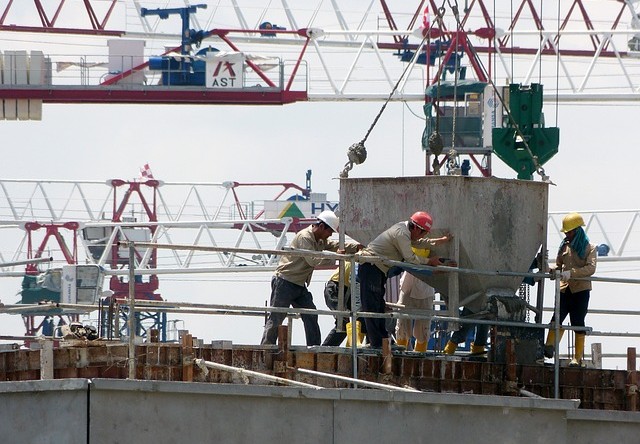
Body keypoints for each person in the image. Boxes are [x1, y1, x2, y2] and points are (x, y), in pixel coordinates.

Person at [260, 210, 361, 346]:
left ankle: (314, 348)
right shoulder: (305, 237)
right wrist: (335, 257)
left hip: (299, 284)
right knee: (277, 316)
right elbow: (313, 261)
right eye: (329, 231)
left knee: (311, 314)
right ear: (321, 227)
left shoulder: (319, 239)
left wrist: (357, 247)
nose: (330, 234)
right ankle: (266, 348)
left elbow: (335, 245)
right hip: (285, 282)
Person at [357, 211, 454, 349]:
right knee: (372, 306)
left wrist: (439, 241)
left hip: (378, 269)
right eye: (423, 232)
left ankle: (383, 341)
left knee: (378, 305)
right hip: (371, 267)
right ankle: (377, 343)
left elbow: (419, 242)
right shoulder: (401, 234)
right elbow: (410, 259)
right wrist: (429, 262)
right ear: (415, 227)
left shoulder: (406, 231)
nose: (423, 236)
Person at [543, 212, 597, 367]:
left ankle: (577, 358)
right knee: (557, 317)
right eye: (566, 232)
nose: (567, 234)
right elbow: (559, 266)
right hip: (565, 289)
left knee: (577, 321)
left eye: (569, 232)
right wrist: (552, 270)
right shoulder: (564, 247)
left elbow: (590, 268)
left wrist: (571, 273)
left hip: (581, 290)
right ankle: (549, 347)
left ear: (577, 231)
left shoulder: (590, 248)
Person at [321, 261, 366, 346]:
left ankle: (352, 346)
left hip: (347, 291)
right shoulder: (356, 260)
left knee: (360, 318)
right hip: (335, 288)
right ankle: (326, 351)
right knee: (343, 322)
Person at [395, 264, 435, 353]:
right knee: (402, 325)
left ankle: (420, 355)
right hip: (408, 284)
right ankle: (400, 354)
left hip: (427, 285)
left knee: (424, 327)